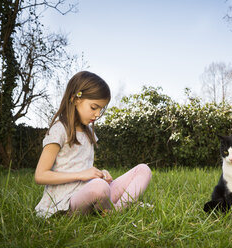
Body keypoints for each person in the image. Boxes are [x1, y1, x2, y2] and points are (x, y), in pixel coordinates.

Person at [34, 71, 152, 218]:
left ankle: (115, 211)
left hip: (91, 191)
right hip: (67, 201)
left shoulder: (89, 132)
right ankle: (113, 210)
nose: (97, 114)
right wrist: (82, 176)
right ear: (75, 99)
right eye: (94, 107)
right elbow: (40, 175)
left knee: (143, 169)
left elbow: (85, 169)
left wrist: (100, 174)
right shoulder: (59, 130)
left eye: (101, 109)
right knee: (99, 187)